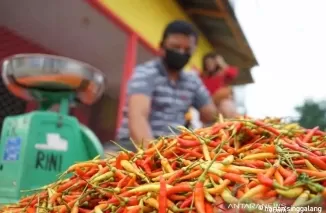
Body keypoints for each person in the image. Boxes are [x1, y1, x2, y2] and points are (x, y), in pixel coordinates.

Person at [112, 20, 218, 152]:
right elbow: (138, 117)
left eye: (187, 49)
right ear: (162, 47)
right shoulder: (145, 73)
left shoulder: (192, 81)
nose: (181, 52)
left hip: (173, 148)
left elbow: (212, 115)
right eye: (175, 47)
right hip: (135, 146)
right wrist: (154, 158)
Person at [201, 52, 239, 119]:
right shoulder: (203, 76)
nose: (209, 65)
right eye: (207, 63)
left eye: (212, 62)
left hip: (222, 102)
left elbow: (233, 73)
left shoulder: (222, 73)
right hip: (209, 103)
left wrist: (222, 63)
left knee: (226, 106)